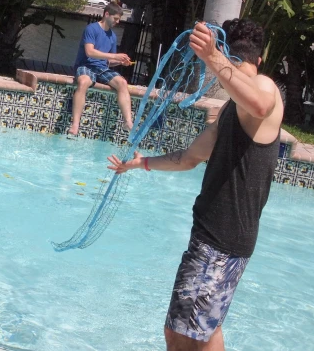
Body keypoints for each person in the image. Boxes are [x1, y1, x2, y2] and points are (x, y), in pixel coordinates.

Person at [107, 19, 284, 351]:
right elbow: (190, 157)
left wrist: (213, 57)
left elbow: (260, 104)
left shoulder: (266, 88)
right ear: (259, 56)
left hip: (221, 242)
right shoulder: (230, 111)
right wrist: (140, 163)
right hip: (213, 237)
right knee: (199, 333)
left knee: (181, 338)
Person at [69, 2, 133, 136]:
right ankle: (75, 124)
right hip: (86, 65)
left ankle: (128, 121)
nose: (117, 21)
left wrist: (120, 62)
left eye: (119, 19)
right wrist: (114, 55)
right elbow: (90, 52)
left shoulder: (112, 36)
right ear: (107, 14)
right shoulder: (91, 29)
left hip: (102, 68)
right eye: (115, 18)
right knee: (84, 82)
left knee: (122, 83)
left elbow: (109, 61)